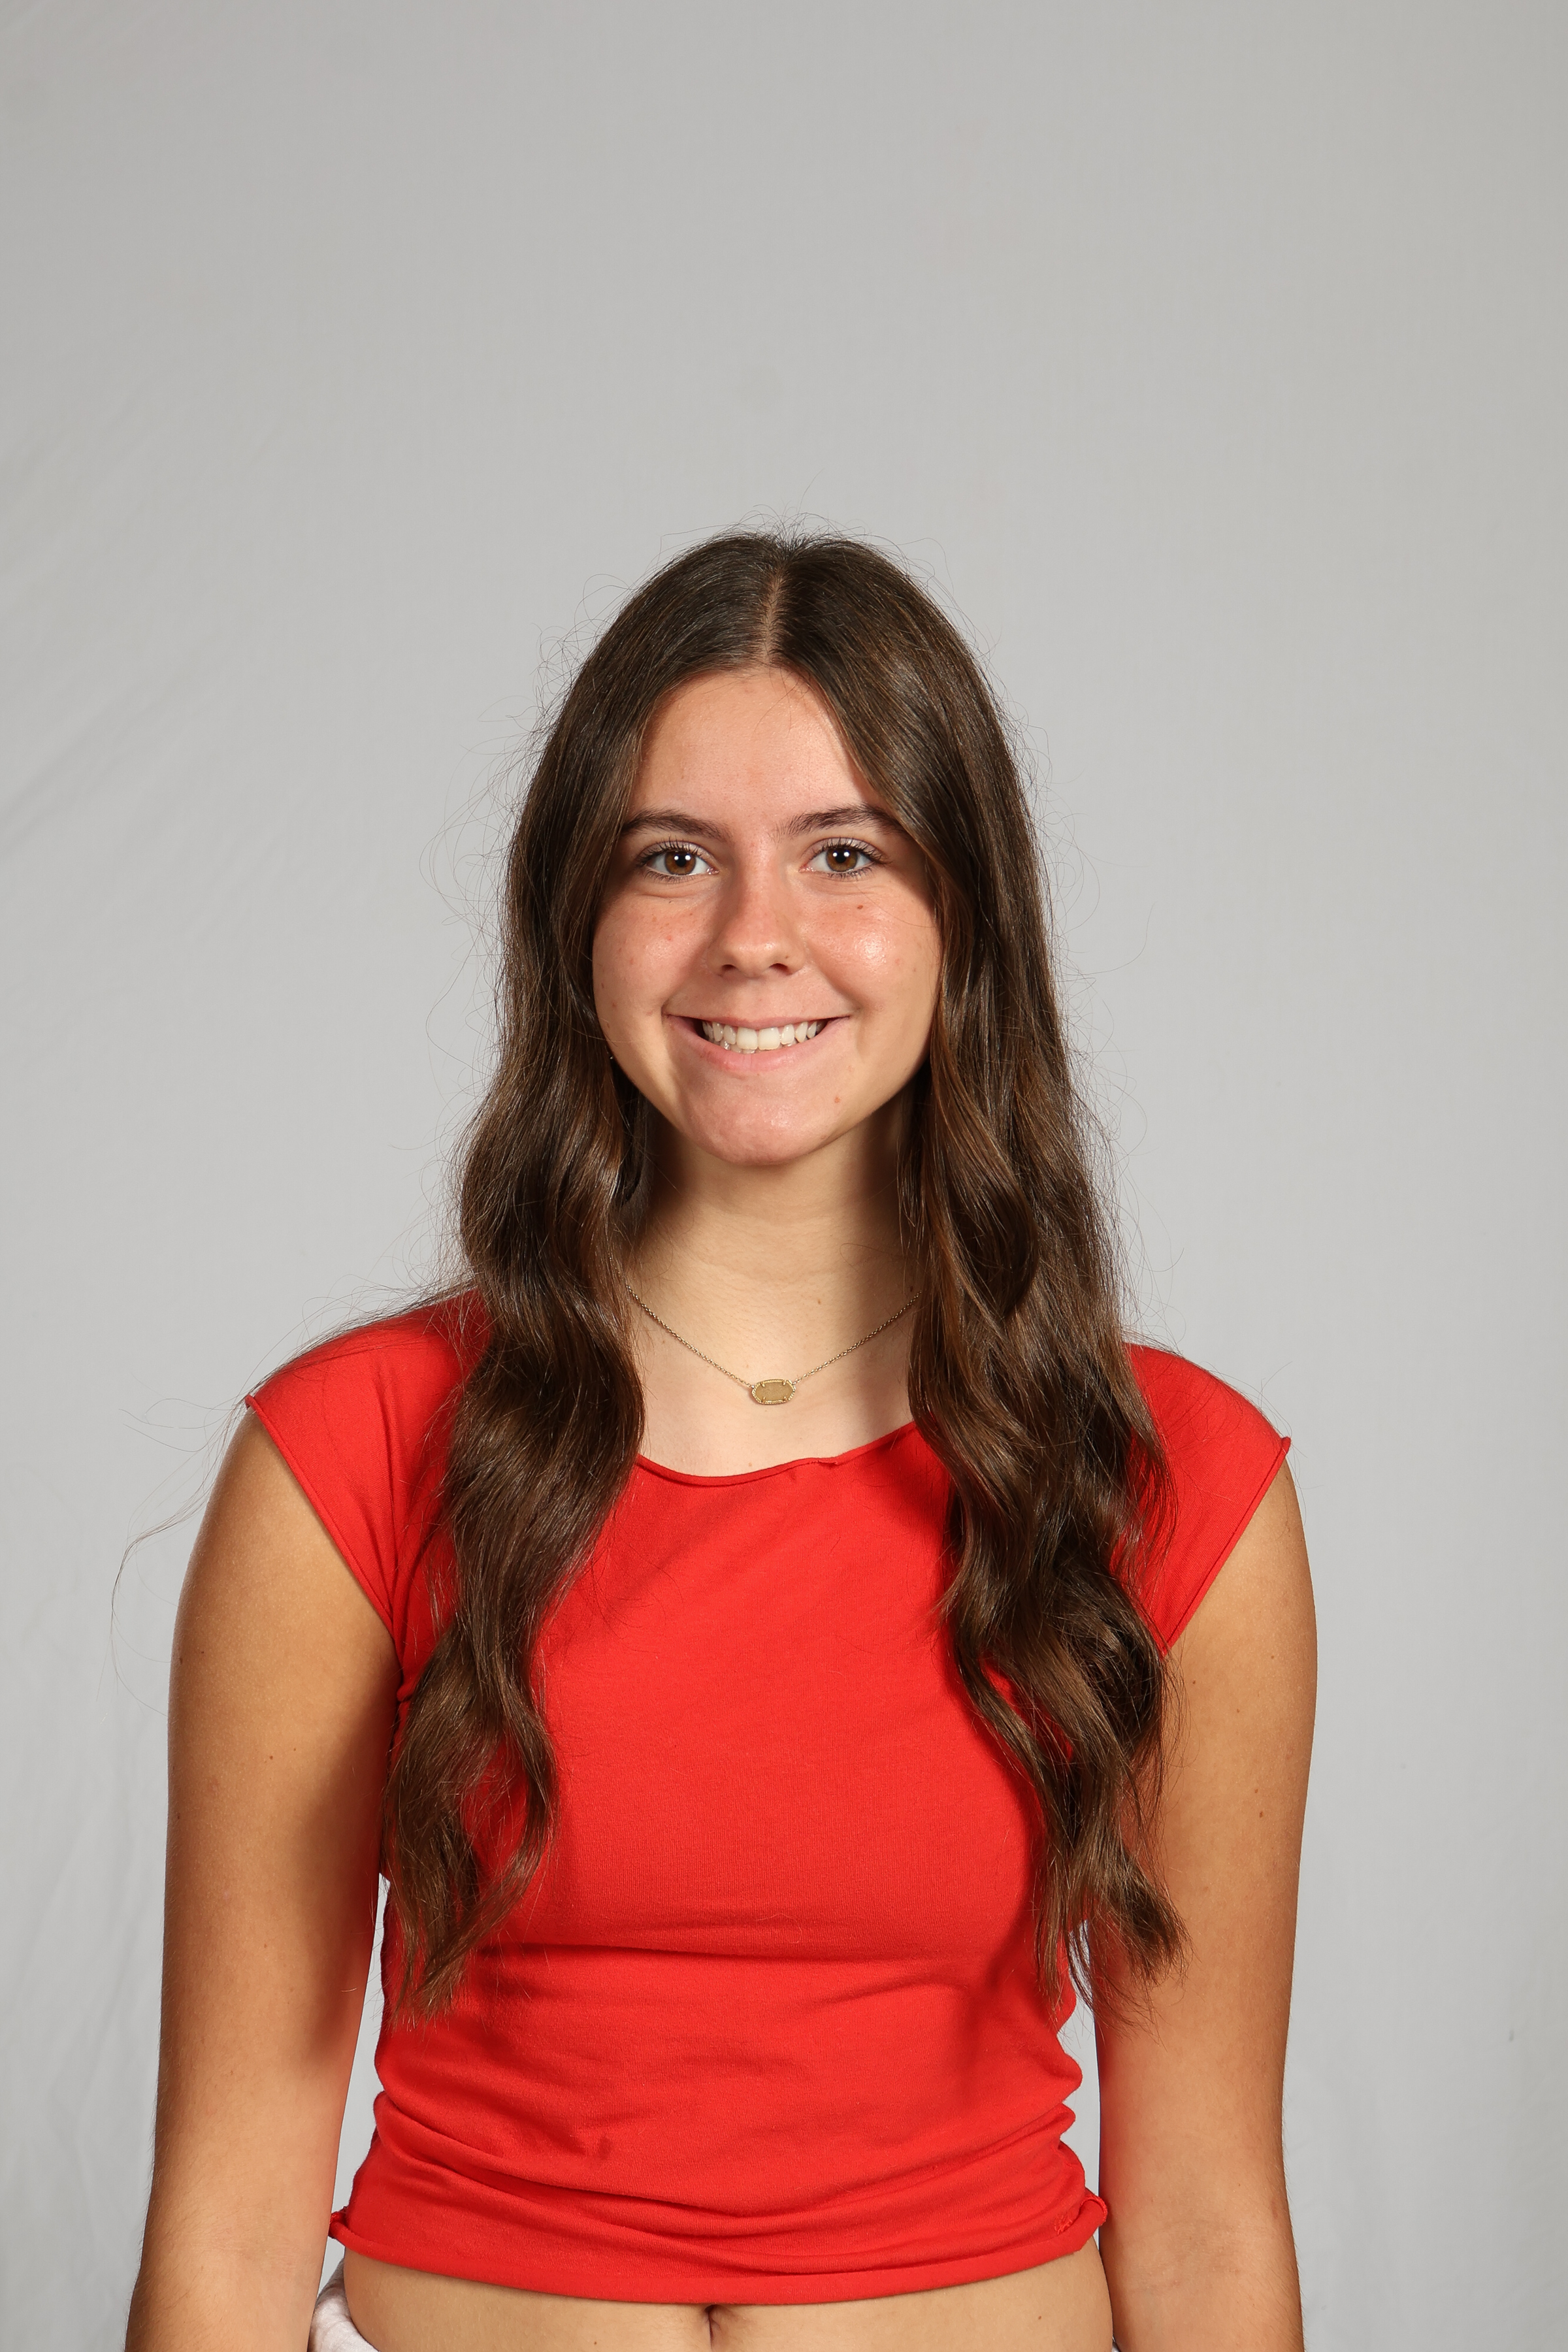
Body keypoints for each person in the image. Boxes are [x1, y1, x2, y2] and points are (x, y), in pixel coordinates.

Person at [125, 530, 1315, 2352]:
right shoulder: (353, 1457)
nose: (755, 934)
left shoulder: (1172, 1487)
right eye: (672, 858)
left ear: (965, 918)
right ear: (577, 923)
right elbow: (224, 2228)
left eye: (847, 853)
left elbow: (1212, 2231)